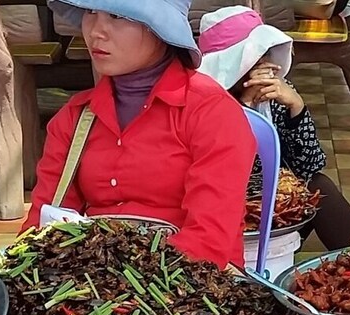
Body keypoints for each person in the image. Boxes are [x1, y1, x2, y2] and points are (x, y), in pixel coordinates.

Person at [27, 0, 257, 266]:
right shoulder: (76, 117)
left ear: (159, 29)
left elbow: (209, 239)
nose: (96, 31)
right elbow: (43, 226)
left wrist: (124, 281)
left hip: (190, 286)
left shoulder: (211, 113)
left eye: (116, 15)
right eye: (90, 12)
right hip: (89, 282)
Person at [195, 6, 350, 250]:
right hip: (227, 211)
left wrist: (296, 106)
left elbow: (310, 166)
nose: (264, 64)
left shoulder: (274, 93)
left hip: (279, 206)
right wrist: (245, 107)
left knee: (319, 185)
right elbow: (230, 172)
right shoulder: (202, 103)